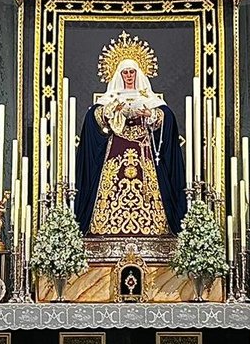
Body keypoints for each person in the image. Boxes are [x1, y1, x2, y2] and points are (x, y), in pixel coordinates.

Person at [75, 31, 187, 236]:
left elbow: (167, 117)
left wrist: (151, 114)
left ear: (139, 74)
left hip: (144, 147)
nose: (128, 76)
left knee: (150, 188)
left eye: (132, 72)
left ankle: (153, 230)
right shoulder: (111, 96)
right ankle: (107, 229)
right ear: (118, 75)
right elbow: (94, 117)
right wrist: (109, 112)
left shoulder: (149, 97)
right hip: (116, 147)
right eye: (125, 72)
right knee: (111, 185)